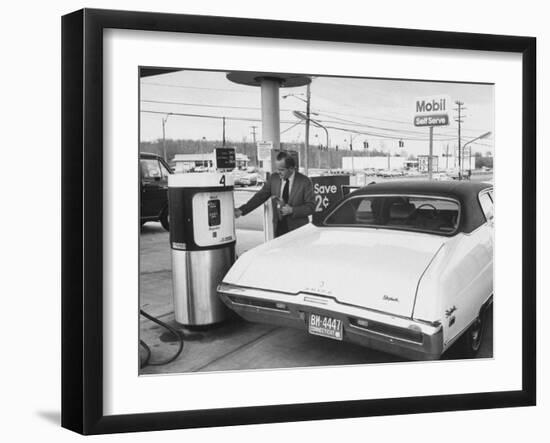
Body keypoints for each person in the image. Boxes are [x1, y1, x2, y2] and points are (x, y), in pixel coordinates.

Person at [234, 151, 315, 237]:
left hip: (298, 231)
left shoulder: (305, 181)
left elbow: (311, 207)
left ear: (291, 169)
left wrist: (292, 210)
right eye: (277, 169)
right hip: (279, 229)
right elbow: (260, 197)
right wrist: (242, 210)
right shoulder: (274, 178)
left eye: (281, 170)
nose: (278, 172)